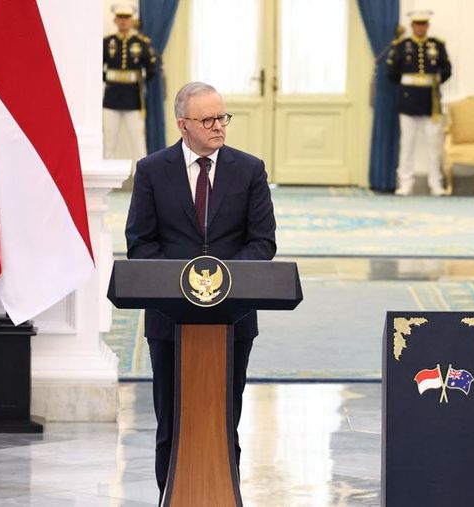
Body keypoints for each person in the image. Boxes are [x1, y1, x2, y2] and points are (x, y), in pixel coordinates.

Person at [125, 82, 276, 497]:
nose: (219, 127)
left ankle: (225, 495)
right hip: (169, 321)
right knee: (171, 421)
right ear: (182, 124)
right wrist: (183, 284)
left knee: (225, 419)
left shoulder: (250, 170)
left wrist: (224, 284)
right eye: (207, 120)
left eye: (222, 117)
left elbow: (263, 242)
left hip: (234, 318)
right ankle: (169, 497)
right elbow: (140, 242)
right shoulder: (153, 170)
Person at [387, 10, 451, 196]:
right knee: (407, 144)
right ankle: (405, 182)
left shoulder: (437, 45)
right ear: (412, 26)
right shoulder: (401, 46)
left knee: (433, 145)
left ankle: (435, 183)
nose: (420, 27)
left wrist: (435, 83)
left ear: (427, 26)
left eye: (423, 24)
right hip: (408, 100)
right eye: (417, 24)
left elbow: (447, 70)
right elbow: (391, 72)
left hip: (430, 101)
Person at [103, 4, 157, 162]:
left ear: (132, 20)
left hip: (133, 100)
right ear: (115, 19)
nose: (123, 21)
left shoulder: (141, 43)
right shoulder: (107, 42)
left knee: (138, 145)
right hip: (111, 98)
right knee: (109, 143)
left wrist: (141, 84)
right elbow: (96, 66)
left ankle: (141, 184)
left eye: (127, 18)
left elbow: (152, 69)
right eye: (120, 17)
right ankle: (107, 186)